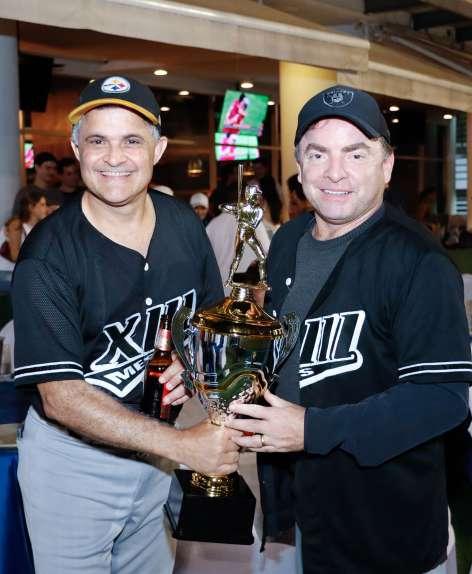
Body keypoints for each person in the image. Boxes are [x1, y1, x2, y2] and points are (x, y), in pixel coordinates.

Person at [226, 85, 471, 574]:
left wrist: (312, 429)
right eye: (318, 154)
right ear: (299, 166)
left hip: (382, 526)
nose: (334, 172)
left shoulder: (418, 262)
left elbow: (443, 398)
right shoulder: (288, 241)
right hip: (296, 509)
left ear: (387, 166)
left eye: (355, 154)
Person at [12, 75, 240, 574]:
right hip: (74, 466)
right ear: (77, 150)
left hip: (154, 454)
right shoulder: (48, 254)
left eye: (132, 140)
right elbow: (61, 397)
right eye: (98, 141)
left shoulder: (183, 225)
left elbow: (208, 320)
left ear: (158, 149)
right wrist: (183, 446)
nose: (114, 157)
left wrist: (190, 360)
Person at [5, 189, 48, 262]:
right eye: (42, 205)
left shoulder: (39, 228)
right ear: (31, 207)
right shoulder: (16, 224)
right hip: (6, 268)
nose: (46, 209)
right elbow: (14, 256)